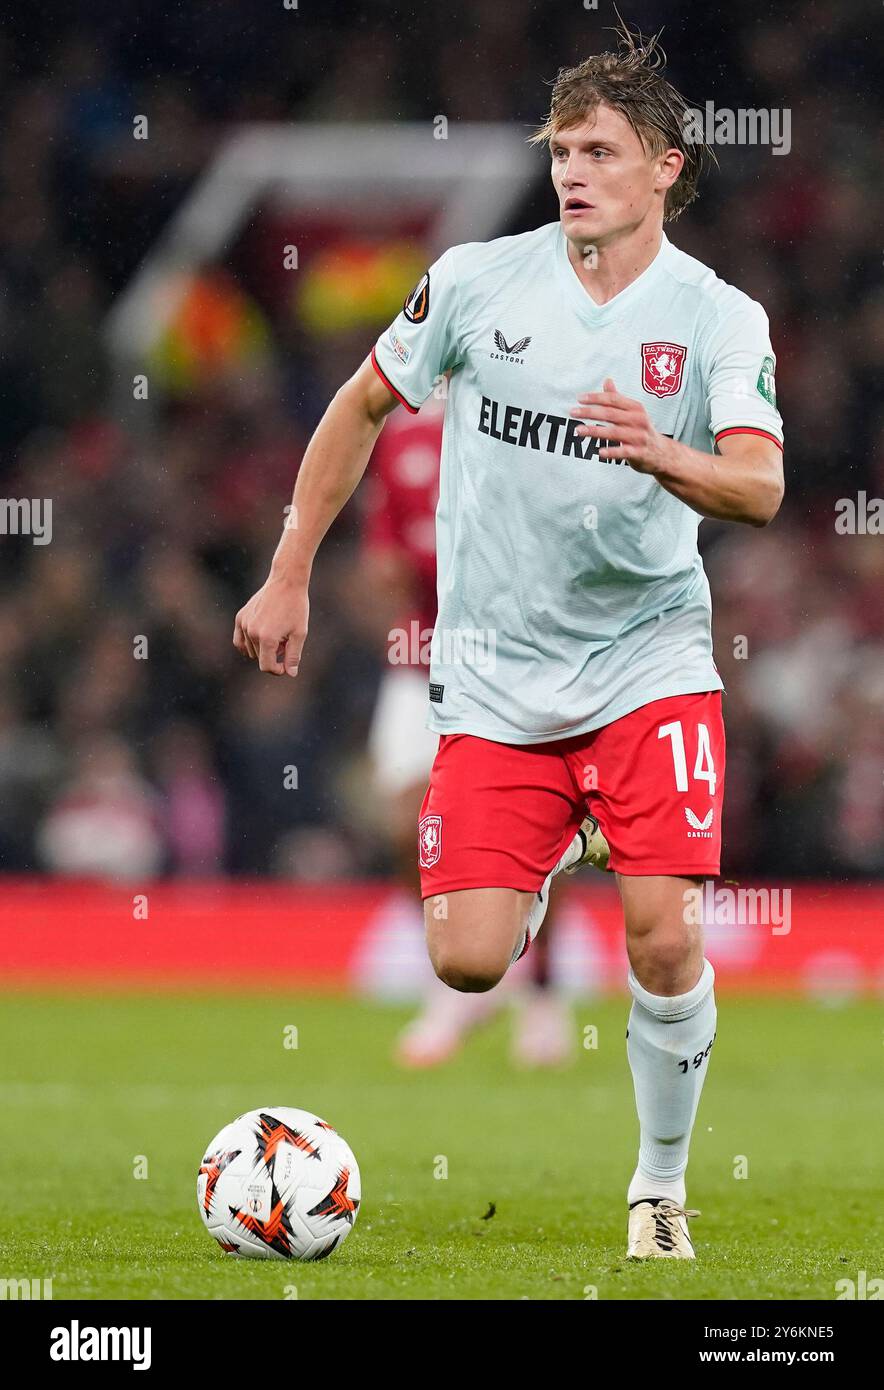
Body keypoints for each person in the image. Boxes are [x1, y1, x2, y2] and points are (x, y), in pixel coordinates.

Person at [234, 26, 784, 1260]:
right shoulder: (479, 282)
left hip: (648, 663)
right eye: (560, 150)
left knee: (660, 932)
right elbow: (358, 404)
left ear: (665, 170)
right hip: (490, 678)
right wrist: (287, 571)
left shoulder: (713, 318)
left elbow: (756, 489)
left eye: (601, 151)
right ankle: (564, 836)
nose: (573, 171)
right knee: (468, 962)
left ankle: (656, 1186)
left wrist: (662, 452)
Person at [361, 388, 606, 1067]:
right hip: (423, 655)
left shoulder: (520, 422)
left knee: (544, 825)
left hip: (513, 655)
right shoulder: (399, 435)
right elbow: (382, 548)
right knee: (400, 819)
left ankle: (543, 991)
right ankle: (458, 984)